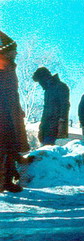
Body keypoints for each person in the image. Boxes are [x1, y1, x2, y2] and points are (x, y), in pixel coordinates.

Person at [0, 31, 30, 193]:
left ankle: (8, 179)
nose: (16, 53)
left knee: (11, 145)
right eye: (14, 50)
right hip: (2, 114)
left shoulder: (10, 68)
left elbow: (13, 93)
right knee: (3, 147)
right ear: (5, 51)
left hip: (10, 113)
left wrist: (18, 110)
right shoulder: (2, 66)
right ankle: (3, 181)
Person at [32, 67, 70, 145]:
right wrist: (41, 128)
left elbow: (65, 106)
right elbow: (46, 110)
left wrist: (61, 125)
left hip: (55, 127)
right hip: (47, 127)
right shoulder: (48, 90)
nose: (40, 83)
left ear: (44, 78)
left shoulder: (60, 87)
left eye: (40, 81)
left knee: (50, 151)